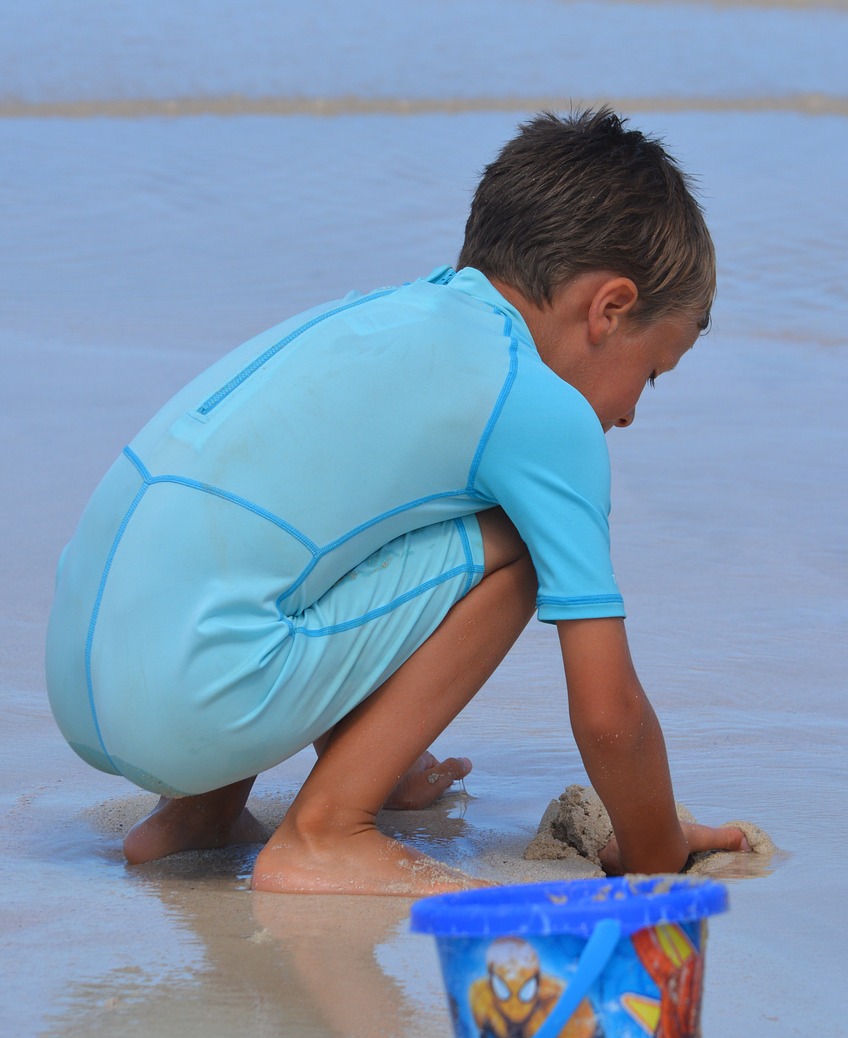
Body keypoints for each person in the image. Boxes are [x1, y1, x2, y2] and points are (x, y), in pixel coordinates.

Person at [45, 107, 749, 895]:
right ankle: (326, 833)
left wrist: (389, 756)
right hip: (191, 703)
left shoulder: (391, 317)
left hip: (83, 678)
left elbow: (335, 535)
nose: (629, 414)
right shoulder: (543, 411)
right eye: (651, 373)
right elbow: (608, 710)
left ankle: (193, 819)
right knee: (521, 536)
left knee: (293, 542)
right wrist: (655, 850)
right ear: (609, 308)